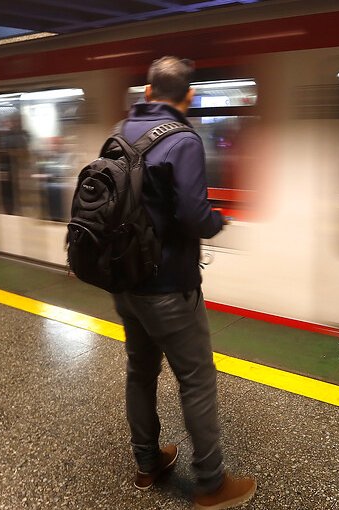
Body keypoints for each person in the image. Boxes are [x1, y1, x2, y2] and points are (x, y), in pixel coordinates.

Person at [113, 56, 256, 510]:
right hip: (170, 287)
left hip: (125, 282)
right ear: (189, 98)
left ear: (149, 93)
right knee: (196, 379)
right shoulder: (184, 141)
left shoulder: (118, 132)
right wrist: (218, 222)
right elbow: (195, 215)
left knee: (140, 370)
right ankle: (212, 485)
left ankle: (147, 462)